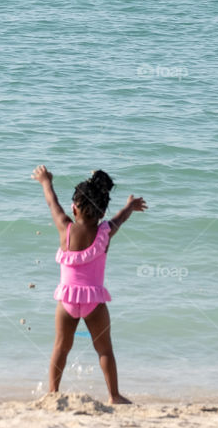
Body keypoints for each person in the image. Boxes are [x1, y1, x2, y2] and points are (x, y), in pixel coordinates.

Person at [31, 164, 146, 404]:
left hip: (68, 301)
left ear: (74, 207)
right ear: (102, 213)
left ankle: (53, 393)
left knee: (61, 348)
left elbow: (52, 203)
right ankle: (114, 395)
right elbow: (121, 219)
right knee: (104, 350)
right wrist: (130, 206)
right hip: (94, 301)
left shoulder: (66, 228)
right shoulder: (105, 231)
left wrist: (45, 181)